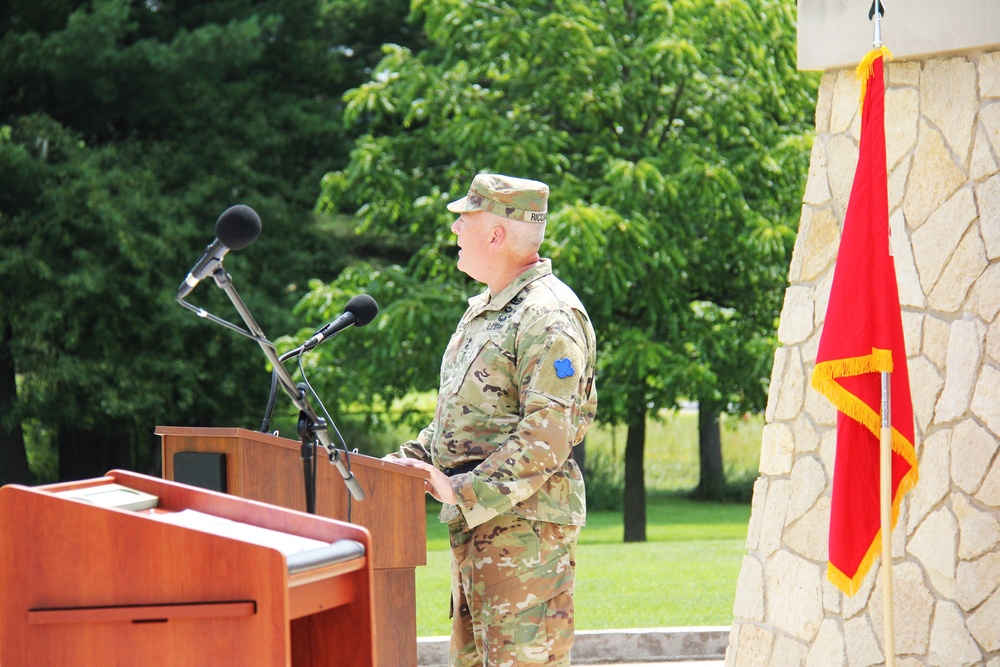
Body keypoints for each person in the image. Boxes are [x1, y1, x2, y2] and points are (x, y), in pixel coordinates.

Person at [387, 173, 598, 667]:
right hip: (482, 535)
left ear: (496, 234)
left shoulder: (547, 315)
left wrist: (459, 490)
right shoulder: (487, 312)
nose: (456, 229)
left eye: (466, 219)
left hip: (524, 540)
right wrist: (398, 465)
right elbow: (465, 426)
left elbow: (547, 437)